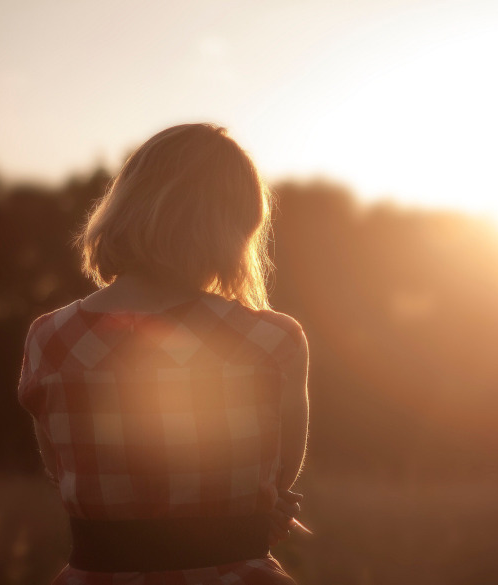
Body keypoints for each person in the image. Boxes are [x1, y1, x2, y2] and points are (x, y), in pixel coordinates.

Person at [16, 123, 309, 585]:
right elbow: (278, 478)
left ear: (127, 204)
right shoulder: (272, 340)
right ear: (234, 226)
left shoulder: (49, 338)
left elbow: (65, 473)